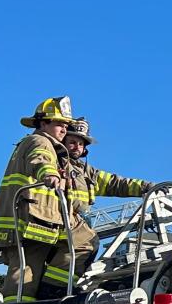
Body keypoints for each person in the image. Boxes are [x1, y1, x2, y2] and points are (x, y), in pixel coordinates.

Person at [0, 96, 76, 301]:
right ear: (43, 123)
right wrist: (50, 174)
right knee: (24, 275)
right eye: (59, 123)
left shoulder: (42, 144)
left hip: (35, 221)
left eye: (66, 125)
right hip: (29, 221)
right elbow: (40, 159)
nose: (64, 129)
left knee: (28, 272)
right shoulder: (40, 141)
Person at [59, 118, 151, 288]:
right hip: (61, 224)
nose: (77, 147)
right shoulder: (56, 165)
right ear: (62, 141)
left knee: (85, 249)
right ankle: (55, 289)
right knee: (87, 245)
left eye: (81, 143)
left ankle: (62, 289)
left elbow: (115, 183)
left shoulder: (86, 172)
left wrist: (147, 187)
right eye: (72, 142)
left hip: (77, 225)